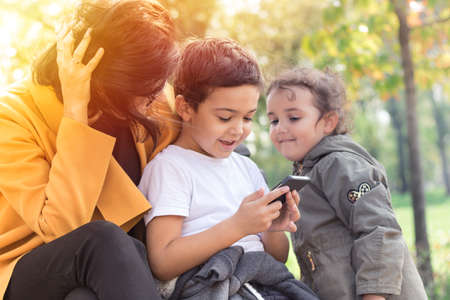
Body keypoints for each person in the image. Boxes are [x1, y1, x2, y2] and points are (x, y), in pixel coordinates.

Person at [0, 0, 180, 299]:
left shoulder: (149, 104)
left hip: (103, 269)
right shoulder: (11, 118)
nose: (159, 94)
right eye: (147, 87)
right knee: (104, 239)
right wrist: (75, 112)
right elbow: (61, 228)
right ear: (105, 86)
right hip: (20, 269)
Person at [138, 38, 318, 300]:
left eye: (247, 117)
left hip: (260, 280)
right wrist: (238, 226)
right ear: (186, 108)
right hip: (210, 282)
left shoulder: (246, 168)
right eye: (225, 117)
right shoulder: (170, 168)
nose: (238, 129)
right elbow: (163, 261)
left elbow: (276, 259)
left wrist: (271, 227)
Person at [266, 67, 427, 300]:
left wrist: (373, 296)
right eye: (273, 120)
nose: (280, 128)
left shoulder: (341, 165)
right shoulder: (306, 173)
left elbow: (379, 231)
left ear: (328, 122)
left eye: (293, 117)